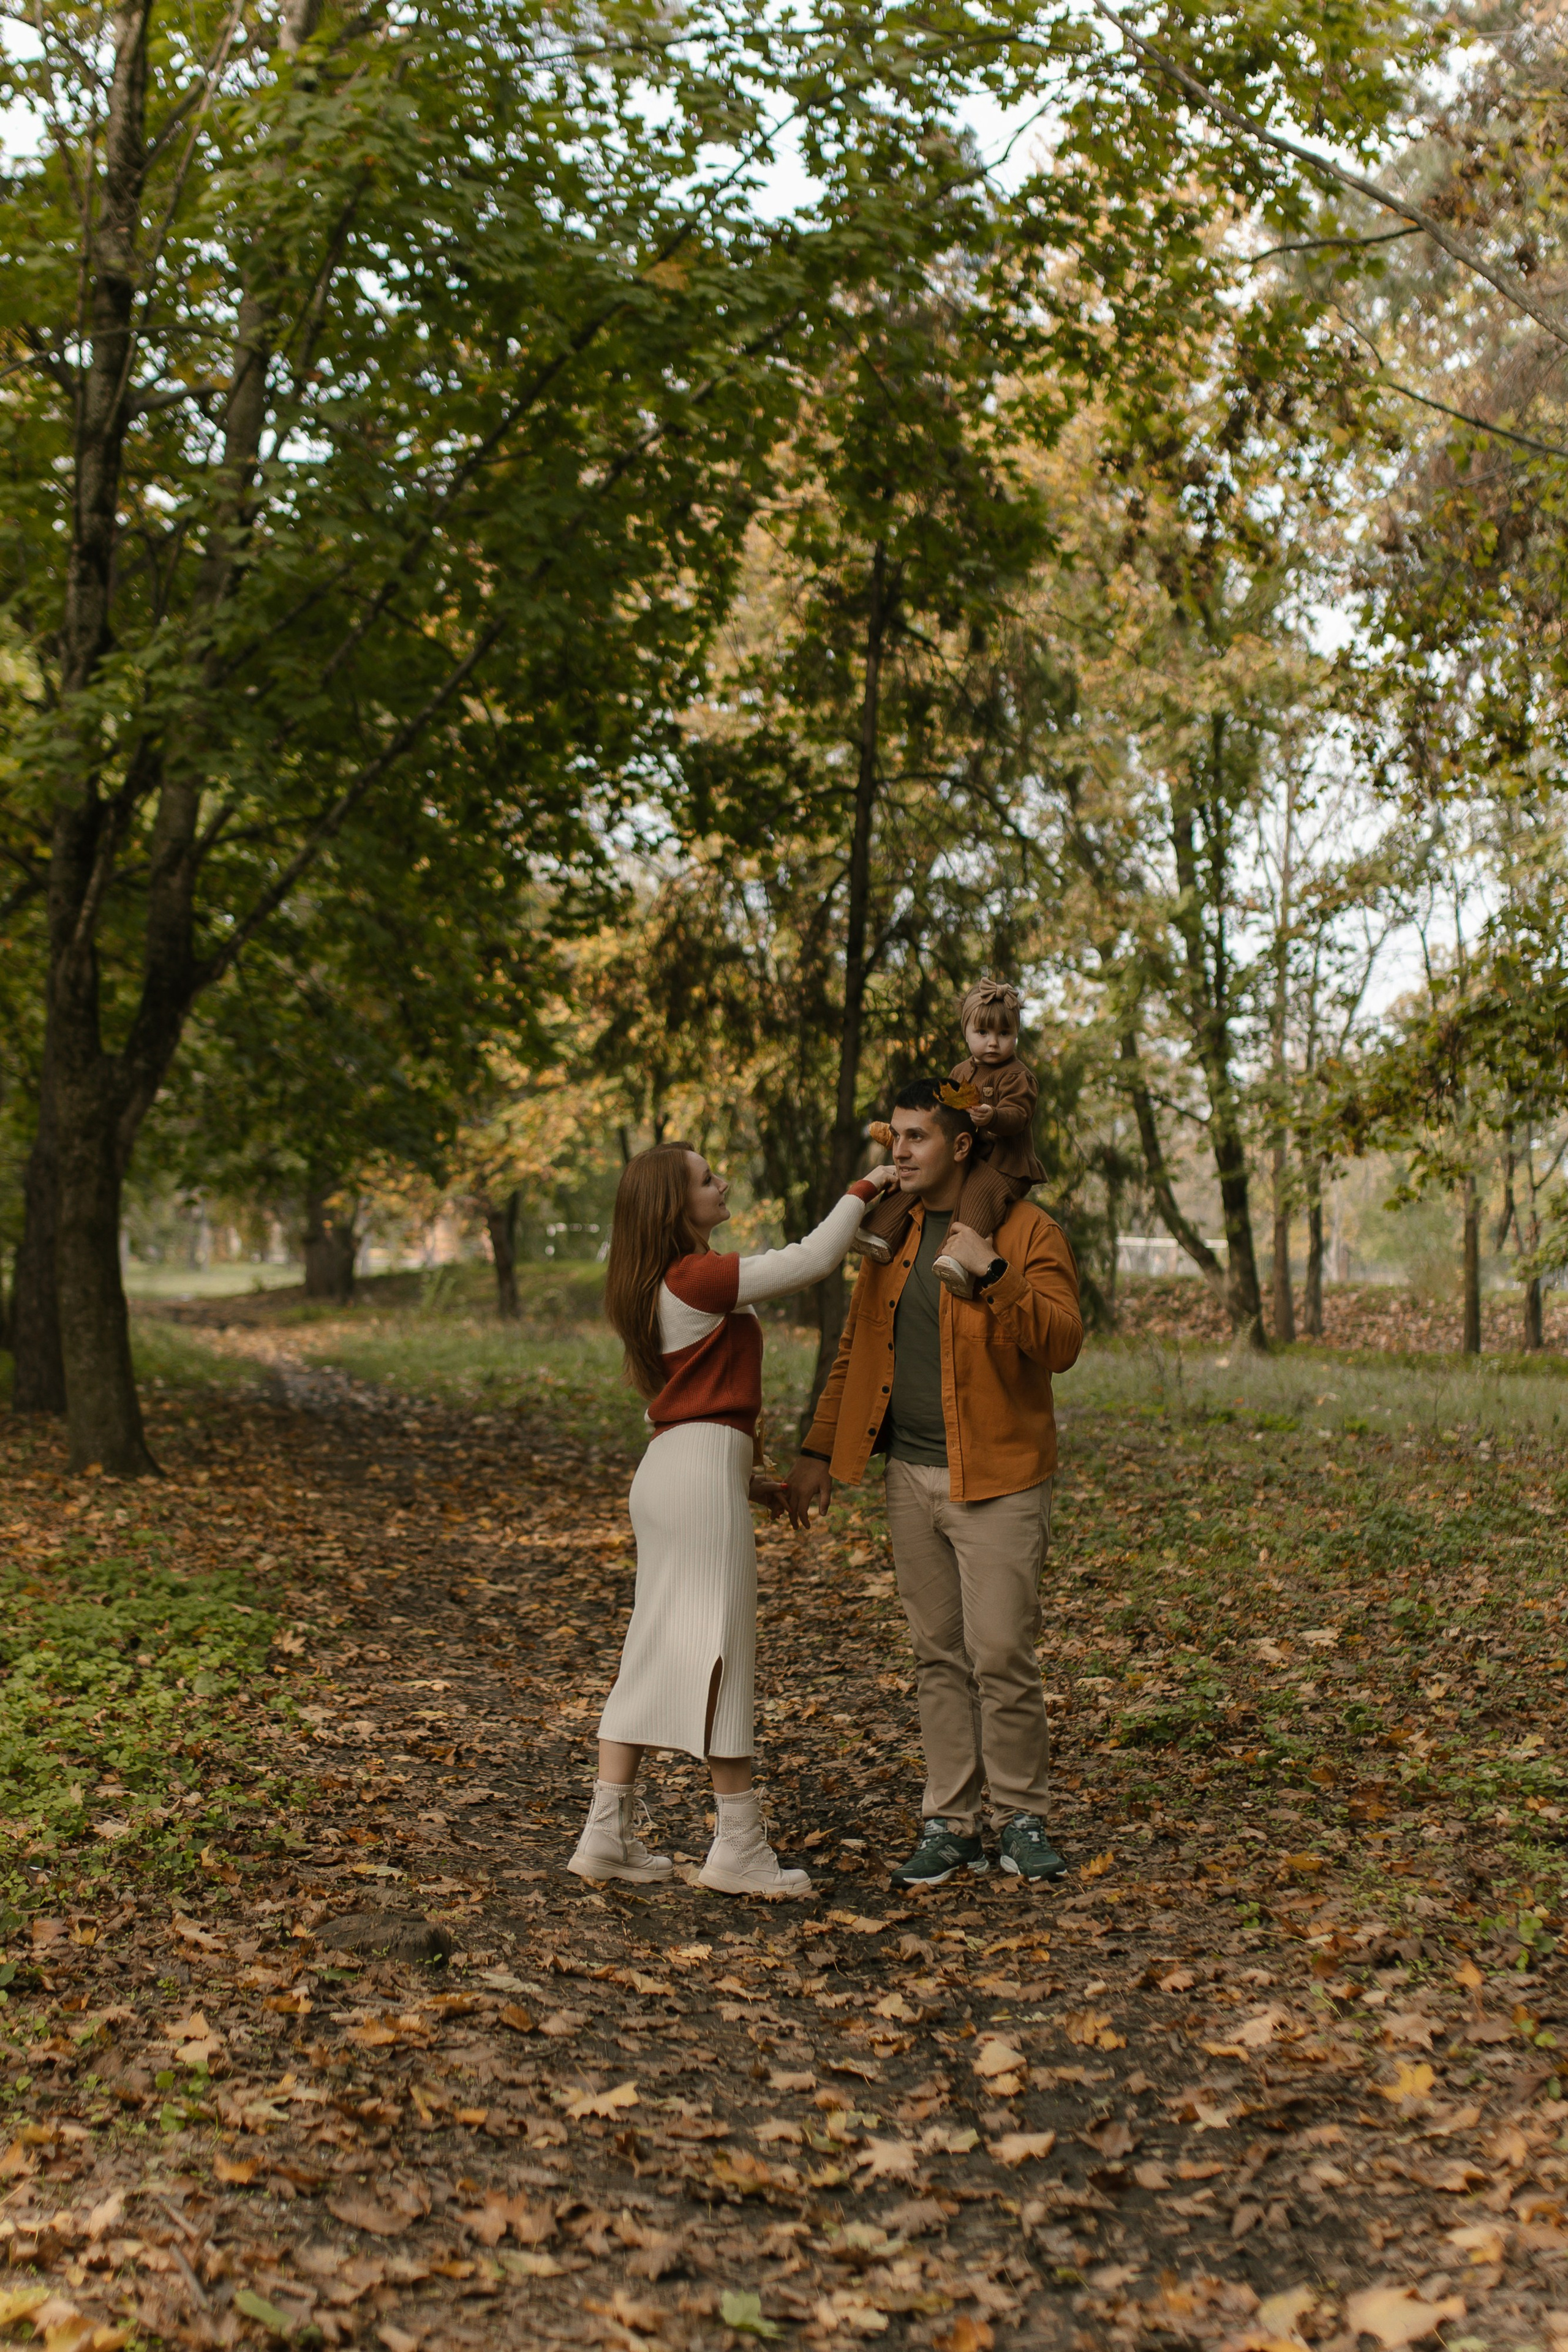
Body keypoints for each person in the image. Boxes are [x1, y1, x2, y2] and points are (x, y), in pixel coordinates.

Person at [569, 1142, 898, 1896]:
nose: (722, 1183)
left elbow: (697, 1406)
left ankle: (605, 1834)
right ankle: (737, 1846)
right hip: (692, 1479)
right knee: (722, 1653)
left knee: (653, 1651)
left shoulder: (667, 1283)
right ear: (671, 1206)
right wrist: (867, 1180)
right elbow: (812, 1259)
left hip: (681, 1473)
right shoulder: (696, 1277)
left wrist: (753, 1485)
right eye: (706, 1178)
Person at [786, 1079, 1082, 1887]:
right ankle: (950, 1822)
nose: (901, 1153)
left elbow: (1062, 1344)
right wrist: (817, 1451)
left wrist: (994, 1276)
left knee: (1000, 1655)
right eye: (896, 1139)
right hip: (910, 1480)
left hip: (1000, 1479)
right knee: (937, 1659)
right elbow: (856, 1349)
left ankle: (1021, 1819)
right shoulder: (895, 1237)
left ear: (959, 1146)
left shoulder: (1027, 1231)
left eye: (917, 1138)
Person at [851, 980, 1044, 1297]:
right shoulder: (960, 1071)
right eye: (983, 1033)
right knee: (921, 1178)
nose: (993, 1043)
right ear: (966, 1031)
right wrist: (914, 1136)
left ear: (1015, 1035)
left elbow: (1019, 1115)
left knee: (979, 1193)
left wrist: (994, 1116)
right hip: (970, 1153)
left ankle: (959, 1261)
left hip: (1004, 1165)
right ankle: (879, 1231)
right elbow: (941, 1113)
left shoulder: (1017, 1077)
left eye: (1004, 1034)